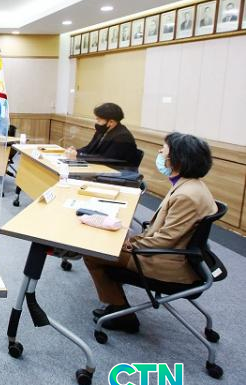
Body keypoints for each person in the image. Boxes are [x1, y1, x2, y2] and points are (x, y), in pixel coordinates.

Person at [84, 133, 218, 332]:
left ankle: (122, 315)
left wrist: (130, 244)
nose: (160, 152)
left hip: (168, 263)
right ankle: (117, 304)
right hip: (174, 254)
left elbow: (165, 240)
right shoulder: (191, 186)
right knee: (109, 244)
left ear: (178, 159)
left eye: (164, 150)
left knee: (94, 253)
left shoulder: (186, 196)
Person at [65, 103, 138, 169]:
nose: (97, 122)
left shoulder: (123, 136)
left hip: (117, 173)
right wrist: (75, 151)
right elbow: (89, 148)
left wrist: (78, 156)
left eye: (99, 120)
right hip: (99, 168)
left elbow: (106, 159)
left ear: (111, 122)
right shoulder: (102, 131)